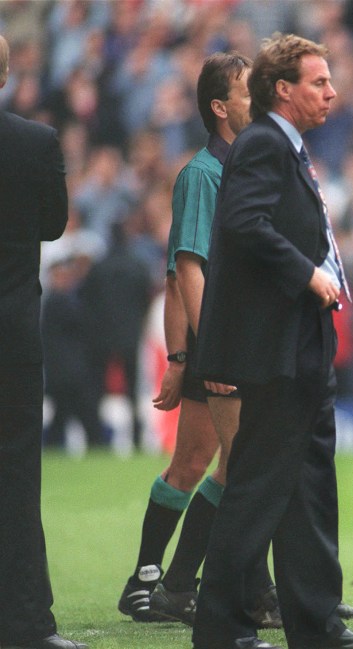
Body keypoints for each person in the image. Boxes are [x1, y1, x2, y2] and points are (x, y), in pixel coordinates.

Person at [191, 34, 353, 649]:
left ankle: (315, 625)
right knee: (256, 489)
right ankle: (221, 629)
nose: (332, 92)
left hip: (300, 343)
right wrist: (308, 272)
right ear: (284, 91)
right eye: (319, 83)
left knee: (308, 490)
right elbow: (244, 223)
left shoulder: (287, 149)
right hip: (274, 349)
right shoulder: (266, 145)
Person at [116, 52, 284, 629]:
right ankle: (167, 582)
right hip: (222, 340)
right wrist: (188, 354)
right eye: (247, 93)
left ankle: (172, 584)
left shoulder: (253, 166)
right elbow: (184, 271)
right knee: (222, 465)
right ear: (220, 107)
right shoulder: (201, 175)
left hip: (244, 339)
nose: (258, 103)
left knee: (213, 465)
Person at [0, 33, 87, 649]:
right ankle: (27, 623)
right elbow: (54, 226)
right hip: (11, 337)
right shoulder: (35, 142)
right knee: (16, 479)